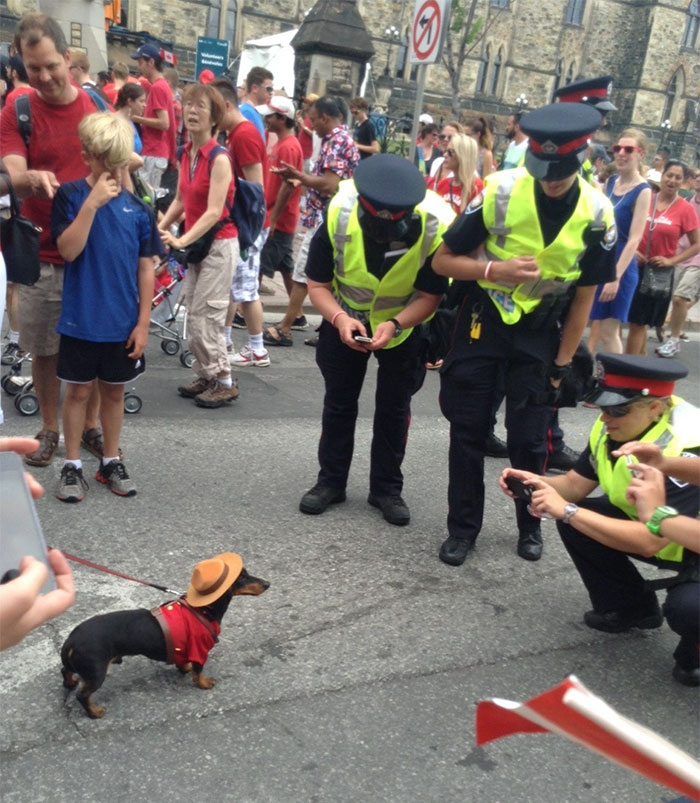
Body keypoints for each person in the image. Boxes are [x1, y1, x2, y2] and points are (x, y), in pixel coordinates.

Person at [432, 102, 617, 567]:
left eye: (560, 172)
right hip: (483, 325)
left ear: (582, 160)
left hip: (541, 335)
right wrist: (494, 269)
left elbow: (583, 299)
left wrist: (560, 367)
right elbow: (442, 261)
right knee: (469, 432)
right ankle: (463, 529)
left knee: (530, 440)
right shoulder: (498, 190)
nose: (549, 180)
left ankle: (530, 525)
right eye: (542, 170)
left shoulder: (598, 213)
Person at [501, 354, 699, 687]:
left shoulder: (688, 443)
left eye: (618, 409)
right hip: (661, 528)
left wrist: (568, 510)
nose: (606, 417)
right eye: (603, 407)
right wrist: (538, 483)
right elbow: (576, 486)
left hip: (687, 544)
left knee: (690, 608)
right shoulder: (615, 426)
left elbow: (652, 540)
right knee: (575, 517)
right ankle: (633, 608)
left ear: (656, 407)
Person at [299, 154, 454, 525]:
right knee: (339, 403)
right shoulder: (340, 210)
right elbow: (317, 284)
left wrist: (397, 325)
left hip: (404, 328)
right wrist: (338, 319)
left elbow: (430, 296)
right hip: (344, 318)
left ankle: (386, 488)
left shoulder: (437, 224)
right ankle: (330, 482)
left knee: (394, 407)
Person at [0, 12, 120, 468]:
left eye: (52, 65)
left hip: (90, 254)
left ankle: (88, 427)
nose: (45, 76)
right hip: (40, 252)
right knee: (44, 350)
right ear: (21, 67)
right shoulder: (19, 109)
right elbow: (12, 175)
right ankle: (49, 427)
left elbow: (118, 173)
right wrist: (29, 177)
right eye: (34, 69)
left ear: (68, 59)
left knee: (92, 347)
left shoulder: (94, 110)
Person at [51, 112, 158, 500]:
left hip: (122, 321)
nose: (112, 170)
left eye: (118, 162)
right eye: (105, 162)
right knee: (77, 393)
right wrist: (91, 206)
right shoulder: (71, 196)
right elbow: (68, 249)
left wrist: (143, 323)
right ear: (88, 157)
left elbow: (146, 269)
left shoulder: (138, 209)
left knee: (114, 393)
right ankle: (72, 464)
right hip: (81, 320)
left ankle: (110, 460)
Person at [159, 84, 239, 408]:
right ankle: (207, 374)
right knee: (193, 312)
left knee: (209, 315)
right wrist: (160, 228)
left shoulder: (219, 158)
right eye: (188, 104)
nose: (191, 111)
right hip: (197, 245)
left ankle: (224, 380)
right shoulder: (186, 152)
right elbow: (181, 199)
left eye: (200, 107)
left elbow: (214, 211)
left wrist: (180, 239)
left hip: (219, 244)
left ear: (214, 116)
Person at [263, 95, 359, 348]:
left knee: (304, 272)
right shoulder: (334, 139)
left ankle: (285, 326)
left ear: (326, 118)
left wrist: (301, 177)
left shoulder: (337, 141)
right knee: (327, 274)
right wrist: (302, 180)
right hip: (330, 216)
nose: (310, 124)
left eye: (314, 119)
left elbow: (330, 184)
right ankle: (330, 328)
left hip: (328, 218)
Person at [209, 77, 269, 367]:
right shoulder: (235, 134)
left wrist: (246, 231)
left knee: (246, 289)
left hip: (248, 224)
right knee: (237, 286)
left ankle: (257, 348)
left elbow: (255, 189)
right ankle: (228, 338)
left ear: (228, 105)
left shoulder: (243, 135)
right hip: (243, 222)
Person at [626, 160, 700, 356]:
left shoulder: (686, 209)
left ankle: (628, 369)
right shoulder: (646, 198)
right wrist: (632, 250)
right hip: (634, 266)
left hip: (658, 273)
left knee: (638, 322)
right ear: (662, 175)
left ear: (684, 182)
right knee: (635, 323)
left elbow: (697, 244)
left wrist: (672, 261)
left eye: (678, 178)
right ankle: (640, 369)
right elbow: (626, 227)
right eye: (669, 175)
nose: (672, 181)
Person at [587, 129, 651, 354]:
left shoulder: (643, 190)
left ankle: (615, 382)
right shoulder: (613, 181)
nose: (621, 154)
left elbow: (635, 239)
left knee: (608, 330)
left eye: (629, 150)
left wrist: (615, 277)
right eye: (617, 149)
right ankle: (594, 376)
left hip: (621, 262)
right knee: (593, 322)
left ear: (640, 154)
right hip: (604, 255)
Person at [258, 96, 304, 329]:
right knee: (286, 267)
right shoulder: (282, 143)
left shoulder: (289, 146)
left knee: (259, 266)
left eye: (270, 115)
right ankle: (297, 314)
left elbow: (288, 184)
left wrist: (273, 218)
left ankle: (243, 310)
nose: (266, 119)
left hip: (280, 217)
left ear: (282, 119)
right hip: (277, 214)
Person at [656, 168, 700, 357]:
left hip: (697, 258)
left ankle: (673, 341)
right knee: (675, 299)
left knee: (680, 298)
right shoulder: (687, 203)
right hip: (680, 255)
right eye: (697, 176)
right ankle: (666, 322)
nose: (698, 179)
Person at [130, 43, 176, 190]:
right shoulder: (160, 85)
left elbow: (164, 123)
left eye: (140, 62)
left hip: (154, 152)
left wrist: (137, 119)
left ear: (151, 62)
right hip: (156, 153)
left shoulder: (157, 87)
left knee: (147, 197)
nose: (138, 66)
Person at [432, 133, 482, 214]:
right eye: (446, 151)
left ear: (462, 156)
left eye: (450, 152)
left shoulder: (476, 188)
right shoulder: (442, 184)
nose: (445, 155)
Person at [238, 66, 273, 142]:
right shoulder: (246, 113)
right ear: (255, 88)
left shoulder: (253, 112)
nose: (271, 93)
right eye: (268, 89)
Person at [114, 82, 146, 154]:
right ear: (130, 101)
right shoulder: (115, 122)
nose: (145, 105)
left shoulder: (130, 121)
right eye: (141, 101)